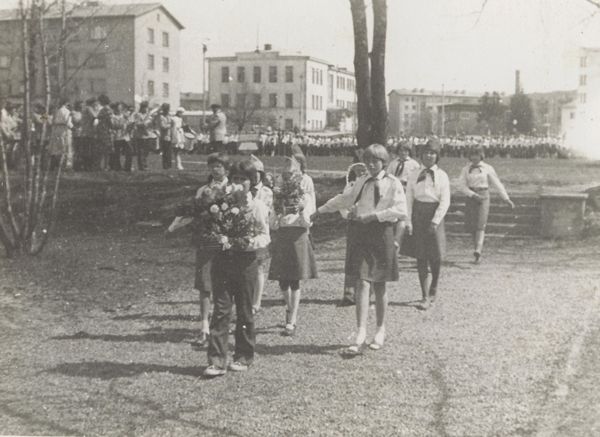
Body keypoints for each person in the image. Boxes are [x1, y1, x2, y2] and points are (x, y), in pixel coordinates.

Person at [313, 144, 406, 354]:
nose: (371, 165)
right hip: (361, 234)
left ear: (384, 162)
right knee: (362, 282)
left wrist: (374, 216)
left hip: (382, 233)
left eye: (376, 161)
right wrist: (319, 210)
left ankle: (381, 329)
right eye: (368, 161)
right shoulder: (362, 181)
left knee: (380, 284)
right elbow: (344, 199)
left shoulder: (393, 183)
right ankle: (360, 331)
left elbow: (401, 210)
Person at [204, 160, 270, 377]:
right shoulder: (221, 203)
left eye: (243, 179)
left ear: (252, 182)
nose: (239, 183)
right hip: (223, 260)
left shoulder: (257, 206)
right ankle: (216, 359)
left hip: (246, 261)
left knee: (244, 310)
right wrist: (218, 239)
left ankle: (243, 355)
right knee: (221, 310)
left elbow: (264, 235)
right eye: (235, 179)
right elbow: (211, 228)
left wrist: (247, 242)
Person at [269, 154, 317, 337]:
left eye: (293, 173)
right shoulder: (279, 194)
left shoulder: (305, 195)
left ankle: (293, 319)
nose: (289, 176)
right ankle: (289, 308)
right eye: (286, 173)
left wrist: (303, 209)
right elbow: (272, 221)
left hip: (297, 235)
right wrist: (278, 217)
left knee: (295, 278)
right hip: (283, 235)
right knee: (283, 280)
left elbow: (308, 221)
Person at [405, 138, 451, 310]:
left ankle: (434, 288)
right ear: (421, 155)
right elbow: (408, 198)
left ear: (437, 156)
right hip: (418, 214)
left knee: (435, 255)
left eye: (432, 153)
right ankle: (424, 295)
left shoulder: (442, 176)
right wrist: (408, 220)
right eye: (426, 153)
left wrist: (435, 221)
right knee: (421, 256)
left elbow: (445, 201)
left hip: (435, 215)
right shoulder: (414, 174)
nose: (429, 156)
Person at [458, 145, 515, 263]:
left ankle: (478, 249)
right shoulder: (465, 169)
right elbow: (461, 186)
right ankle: (476, 251)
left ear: (481, 155)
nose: (474, 157)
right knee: (472, 226)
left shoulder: (488, 168)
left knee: (480, 224)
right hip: (471, 196)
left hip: (483, 196)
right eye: (472, 155)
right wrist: (472, 194)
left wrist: (506, 198)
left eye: (477, 154)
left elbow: (497, 184)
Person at [338, 162, 368, 306]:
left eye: (363, 170)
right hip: (354, 225)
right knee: (352, 257)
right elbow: (343, 203)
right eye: (358, 170)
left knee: (368, 257)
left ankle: (368, 293)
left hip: (368, 224)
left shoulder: (372, 185)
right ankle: (349, 292)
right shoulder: (350, 185)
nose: (361, 172)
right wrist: (348, 214)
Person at [248, 155, 273, 315]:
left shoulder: (266, 192)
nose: (254, 175)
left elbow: (267, 211)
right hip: (244, 231)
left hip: (259, 231)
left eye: (258, 172)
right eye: (252, 172)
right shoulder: (242, 189)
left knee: (259, 267)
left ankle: (256, 302)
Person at [48, 99, 73, 170]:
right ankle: (64, 165)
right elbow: (68, 122)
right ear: (66, 103)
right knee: (65, 147)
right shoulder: (67, 111)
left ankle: (56, 165)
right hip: (64, 130)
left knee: (56, 148)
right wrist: (72, 126)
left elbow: (49, 122)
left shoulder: (56, 112)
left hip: (56, 130)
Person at [132, 101, 156, 171]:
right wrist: (144, 123)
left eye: (147, 108)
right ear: (142, 108)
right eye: (145, 108)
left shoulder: (149, 115)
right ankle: (142, 166)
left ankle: (144, 164)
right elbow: (137, 123)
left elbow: (151, 124)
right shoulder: (138, 115)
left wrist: (150, 121)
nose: (146, 109)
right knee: (141, 151)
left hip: (148, 135)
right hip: (140, 135)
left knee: (146, 151)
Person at [95, 94, 114, 171]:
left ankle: (102, 165)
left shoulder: (104, 110)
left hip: (103, 130)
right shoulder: (107, 110)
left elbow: (109, 121)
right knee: (106, 150)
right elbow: (111, 121)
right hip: (105, 131)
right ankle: (105, 166)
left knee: (102, 149)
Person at [155, 103, 172, 169]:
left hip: (169, 135)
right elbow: (163, 126)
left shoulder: (169, 116)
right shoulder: (161, 117)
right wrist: (170, 125)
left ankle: (169, 165)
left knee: (169, 152)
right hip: (164, 136)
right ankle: (165, 165)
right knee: (165, 152)